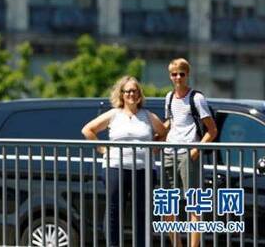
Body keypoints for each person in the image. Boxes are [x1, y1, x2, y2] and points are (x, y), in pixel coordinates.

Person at [82, 76, 167, 247]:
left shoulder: (148, 116)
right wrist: (102, 149)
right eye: (127, 91)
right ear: (121, 94)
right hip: (115, 167)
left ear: (139, 94)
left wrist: (156, 146)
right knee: (114, 210)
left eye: (134, 91)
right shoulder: (114, 114)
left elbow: (163, 132)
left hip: (144, 170)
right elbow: (88, 130)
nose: (131, 94)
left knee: (142, 212)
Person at [162, 58, 217, 247]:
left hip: (188, 153)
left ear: (188, 75)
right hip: (169, 152)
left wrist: (196, 149)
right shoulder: (169, 97)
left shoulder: (196, 98)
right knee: (167, 206)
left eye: (181, 74)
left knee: (194, 206)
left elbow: (212, 130)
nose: (178, 77)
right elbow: (170, 123)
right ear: (170, 76)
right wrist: (155, 135)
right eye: (174, 74)